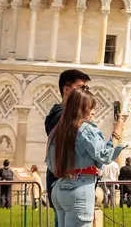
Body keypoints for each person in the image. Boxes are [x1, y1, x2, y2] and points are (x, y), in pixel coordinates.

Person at [47, 87, 126, 227]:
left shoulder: (56, 130)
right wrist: (116, 133)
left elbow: (50, 163)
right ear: (82, 108)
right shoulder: (85, 129)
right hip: (79, 188)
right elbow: (105, 156)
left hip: (59, 188)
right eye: (91, 108)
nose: (93, 112)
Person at [46, 70, 91, 209]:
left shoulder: (62, 114)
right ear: (66, 89)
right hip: (65, 183)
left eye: (87, 88)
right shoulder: (60, 115)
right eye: (81, 88)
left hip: (66, 182)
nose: (85, 92)